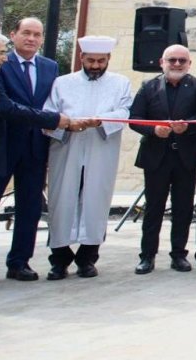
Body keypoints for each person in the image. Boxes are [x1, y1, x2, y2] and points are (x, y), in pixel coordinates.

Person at [43, 36, 133, 279]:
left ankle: (87, 259)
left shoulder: (120, 83)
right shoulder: (63, 83)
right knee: (61, 201)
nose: (95, 66)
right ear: (81, 58)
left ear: (108, 59)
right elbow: (49, 113)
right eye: (91, 60)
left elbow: (125, 112)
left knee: (96, 201)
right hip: (67, 148)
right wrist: (68, 125)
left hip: (101, 149)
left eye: (101, 61)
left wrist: (100, 121)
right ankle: (59, 260)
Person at [129, 44, 196, 274]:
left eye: (182, 60)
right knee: (153, 208)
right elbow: (134, 118)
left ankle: (179, 255)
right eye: (172, 60)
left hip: (186, 157)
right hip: (156, 157)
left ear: (189, 64)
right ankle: (147, 256)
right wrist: (153, 130)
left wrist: (188, 126)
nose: (177, 64)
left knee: (183, 209)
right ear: (162, 62)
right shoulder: (148, 86)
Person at [0, 17, 61, 281]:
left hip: (36, 147)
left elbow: (54, 102)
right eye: (26, 33)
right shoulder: (1, 62)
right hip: (4, 144)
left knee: (30, 207)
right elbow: (6, 107)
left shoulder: (50, 67)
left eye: (37, 34)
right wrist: (56, 120)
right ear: (13, 34)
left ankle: (19, 262)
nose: (31, 38)